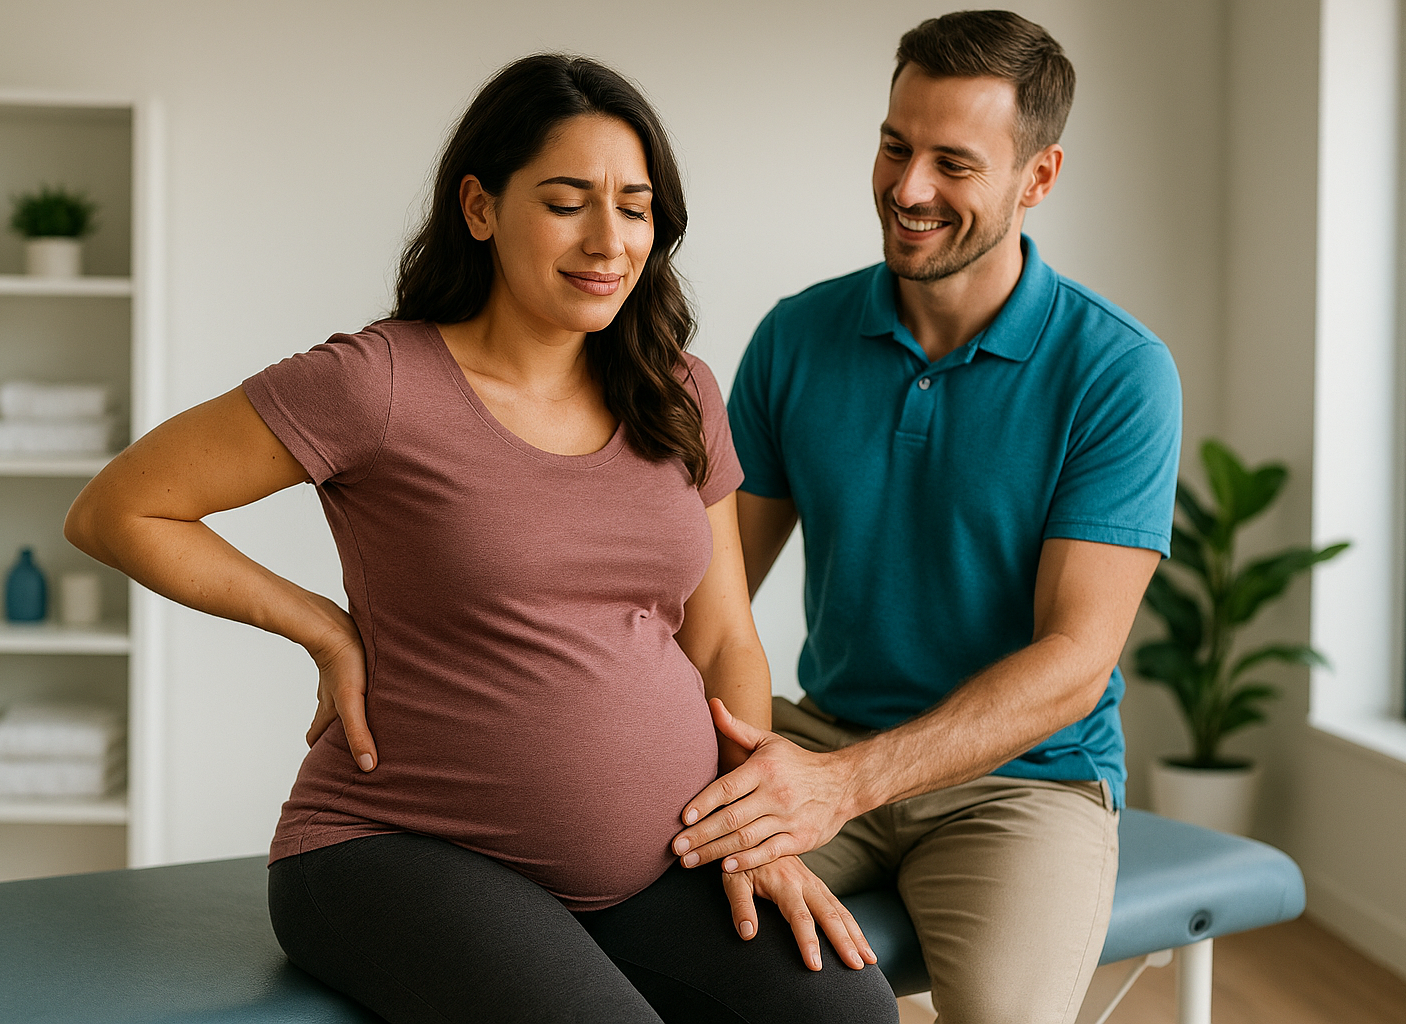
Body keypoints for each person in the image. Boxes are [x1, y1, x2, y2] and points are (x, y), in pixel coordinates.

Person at [64, 54, 898, 1024]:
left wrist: (758, 837)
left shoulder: (676, 389)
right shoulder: (377, 383)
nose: (607, 239)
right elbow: (119, 507)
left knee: (849, 1016)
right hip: (396, 844)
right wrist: (323, 627)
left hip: (654, 862)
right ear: (479, 206)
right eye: (566, 201)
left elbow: (724, 643)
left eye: (634, 206)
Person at [667, 11, 1183, 1024]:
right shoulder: (797, 338)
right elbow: (708, 597)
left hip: (1025, 784)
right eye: (896, 147)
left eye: (953, 162)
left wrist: (846, 784)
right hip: (819, 738)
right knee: (651, 937)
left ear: (1037, 179)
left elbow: (1075, 659)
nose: (907, 189)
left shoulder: (1118, 372)